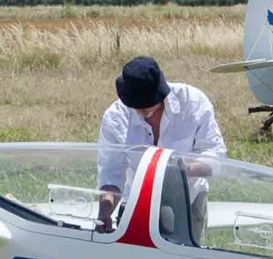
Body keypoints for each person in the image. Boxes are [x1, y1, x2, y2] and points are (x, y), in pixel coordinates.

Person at [95, 56, 226, 234]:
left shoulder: (194, 103)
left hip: (189, 199)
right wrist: (105, 212)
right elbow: (111, 172)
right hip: (135, 201)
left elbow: (216, 157)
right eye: (137, 108)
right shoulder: (115, 117)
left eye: (150, 109)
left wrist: (180, 171)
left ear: (162, 93)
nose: (144, 114)